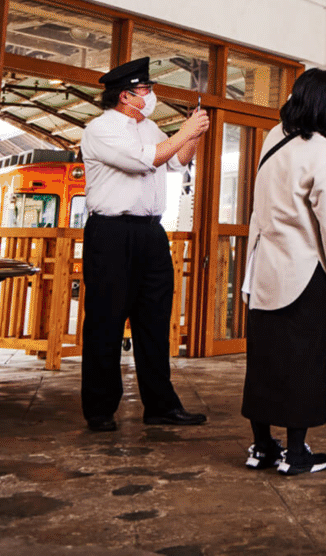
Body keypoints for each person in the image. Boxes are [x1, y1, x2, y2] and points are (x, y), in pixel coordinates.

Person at [241, 69, 326, 475]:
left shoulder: (273, 137)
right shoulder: (324, 151)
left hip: (263, 266)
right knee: (301, 362)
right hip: (301, 271)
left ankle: (262, 448)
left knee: (263, 361)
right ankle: (295, 454)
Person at [79, 57, 211, 432]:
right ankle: (100, 409)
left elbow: (178, 160)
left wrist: (194, 134)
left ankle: (160, 405)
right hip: (111, 232)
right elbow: (145, 161)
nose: (151, 95)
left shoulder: (151, 127)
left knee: (154, 320)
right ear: (125, 95)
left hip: (151, 232)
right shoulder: (101, 129)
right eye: (145, 90)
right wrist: (184, 131)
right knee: (106, 320)